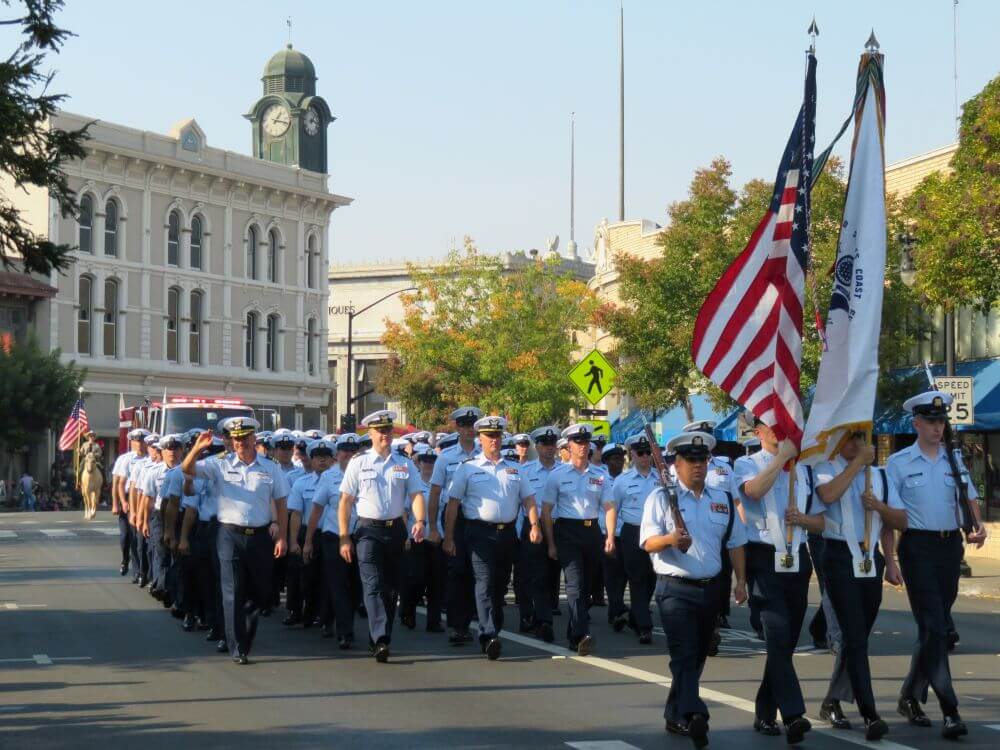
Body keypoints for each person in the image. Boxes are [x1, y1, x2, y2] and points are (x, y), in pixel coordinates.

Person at [886, 391, 987, 740]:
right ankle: (950, 709)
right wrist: (889, 560)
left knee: (934, 630)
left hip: (949, 549)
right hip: (917, 548)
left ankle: (909, 696)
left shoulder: (954, 459)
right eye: (930, 421)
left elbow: (969, 495)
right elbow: (890, 517)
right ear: (916, 423)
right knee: (937, 628)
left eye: (941, 421)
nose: (937, 427)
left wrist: (978, 523)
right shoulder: (898, 463)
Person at [641, 431, 748, 747]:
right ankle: (694, 713)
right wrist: (671, 539)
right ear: (677, 462)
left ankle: (675, 712)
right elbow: (648, 542)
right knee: (684, 654)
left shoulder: (722, 499)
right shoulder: (661, 497)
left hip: (711, 589)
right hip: (674, 589)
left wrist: (740, 581)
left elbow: (736, 543)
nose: (698, 465)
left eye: (703, 459)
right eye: (691, 459)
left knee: (698, 655)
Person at [810, 432, 902, 741]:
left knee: (857, 636)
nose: (857, 444)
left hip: (870, 559)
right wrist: (857, 465)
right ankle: (870, 713)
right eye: (851, 438)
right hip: (838, 557)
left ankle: (831, 700)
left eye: (862, 438)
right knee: (854, 637)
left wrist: (890, 561)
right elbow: (827, 496)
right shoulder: (827, 467)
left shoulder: (879, 476)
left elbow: (896, 522)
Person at [733, 417, 816, 743]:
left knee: (787, 642)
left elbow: (819, 516)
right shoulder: (746, 463)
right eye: (771, 426)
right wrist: (782, 458)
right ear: (757, 432)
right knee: (777, 634)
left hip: (797, 558)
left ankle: (765, 710)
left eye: (783, 425)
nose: (779, 431)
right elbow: (752, 492)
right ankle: (793, 714)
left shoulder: (803, 468)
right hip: (763, 558)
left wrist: (805, 519)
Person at [182, 417, 289, 665]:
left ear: (254, 439)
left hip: (260, 536)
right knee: (232, 591)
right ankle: (237, 646)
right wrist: (197, 448)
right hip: (229, 534)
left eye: (244, 438)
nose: (239, 443)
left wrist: (282, 536)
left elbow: (282, 503)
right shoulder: (220, 464)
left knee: (260, 593)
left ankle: (245, 635)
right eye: (235, 438)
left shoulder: (270, 468)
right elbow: (186, 470)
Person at [444, 415, 542, 660]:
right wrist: (448, 536)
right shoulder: (468, 467)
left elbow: (528, 498)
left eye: (498, 436)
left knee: (499, 585)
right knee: (484, 582)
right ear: (481, 438)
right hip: (479, 533)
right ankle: (488, 635)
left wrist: (534, 524)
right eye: (489, 436)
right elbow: (453, 504)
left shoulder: (515, 468)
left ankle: (493, 628)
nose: (494, 440)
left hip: (507, 534)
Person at [337, 410, 426, 663]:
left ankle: (379, 635)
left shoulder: (404, 464)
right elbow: (345, 501)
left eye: (388, 430)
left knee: (391, 590)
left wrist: (419, 521)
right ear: (371, 433)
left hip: (395, 529)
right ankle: (381, 639)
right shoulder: (359, 462)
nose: (385, 434)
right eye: (380, 430)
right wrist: (344, 536)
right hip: (367, 531)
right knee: (373, 585)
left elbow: (416, 495)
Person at [540, 423, 617, 655]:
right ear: (569, 446)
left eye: (586, 442)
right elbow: (546, 510)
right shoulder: (557, 475)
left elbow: (610, 507)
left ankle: (575, 629)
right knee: (574, 584)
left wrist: (610, 536)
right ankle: (579, 635)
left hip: (592, 531)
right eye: (578, 442)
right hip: (567, 531)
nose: (583, 446)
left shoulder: (600, 476)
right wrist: (551, 543)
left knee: (586, 587)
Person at [427, 406, 482, 646]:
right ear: (457, 428)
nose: (470, 430)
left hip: (478, 518)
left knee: (475, 573)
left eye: (473, 425)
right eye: (465, 425)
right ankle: (456, 625)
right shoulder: (446, 458)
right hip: (453, 518)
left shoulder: (485, 454)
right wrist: (433, 528)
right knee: (457, 571)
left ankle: (469, 620)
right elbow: (435, 492)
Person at [304, 432, 361, 647]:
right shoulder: (329, 477)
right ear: (338, 454)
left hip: (361, 536)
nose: (349, 455)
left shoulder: (367, 473)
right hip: (333, 537)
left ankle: (339, 619)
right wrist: (308, 541)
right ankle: (345, 631)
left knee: (357, 586)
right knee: (337, 585)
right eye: (345, 451)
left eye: (354, 451)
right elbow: (316, 510)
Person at [614, 434, 661, 644]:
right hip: (632, 532)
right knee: (637, 579)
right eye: (640, 453)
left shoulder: (661, 477)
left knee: (652, 578)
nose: (644, 456)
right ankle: (644, 626)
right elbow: (612, 509)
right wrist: (612, 535)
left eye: (648, 452)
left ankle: (635, 616)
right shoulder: (622, 480)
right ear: (631, 454)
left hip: (656, 533)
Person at [517, 425, 562, 641]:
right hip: (533, 526)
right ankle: (535, 618)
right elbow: (519, 504)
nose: (549, 448)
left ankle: (545, 613)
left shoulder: (564, 470)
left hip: (558, 525)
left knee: (552, 573)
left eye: (552, 444)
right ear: (537, 446)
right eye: (544, 444)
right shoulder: (524, 471)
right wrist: (520, 532)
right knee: (535, 575)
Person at [285, 439, 334, 629]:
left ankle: (325, 617)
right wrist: (293, 541)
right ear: (311, 461)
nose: (322, 461)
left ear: (332, 459)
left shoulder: (342, 481)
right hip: (309, 534)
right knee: (307, 577)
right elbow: (296, 514)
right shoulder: (301, 483)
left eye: (326, 457)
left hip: (332, 533)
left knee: (329, 577)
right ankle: (306, 612)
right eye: (317, 457)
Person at [400, 442, 445, 633]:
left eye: (432, 460)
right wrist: (405, 537)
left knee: (436, 581)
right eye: (425, 460)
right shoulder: (412, 484)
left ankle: (433, 622)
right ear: (418, 463)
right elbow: (403, 512)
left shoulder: (441, 486)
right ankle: (407, 611)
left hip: (436, 538)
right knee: (416, 579)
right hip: (416, 539)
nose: (428, 464)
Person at [111, 429, 148, 576]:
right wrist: (118, 503)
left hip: (143, 497)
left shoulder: (151, 458)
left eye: (142, 441)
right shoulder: (125, 459)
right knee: (126, 536)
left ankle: (139, 570)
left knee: (139, 536)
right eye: (136, 441)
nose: (139, 445)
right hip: (127, 497)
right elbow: (118, 483)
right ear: (131, 442)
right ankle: (125, 559)